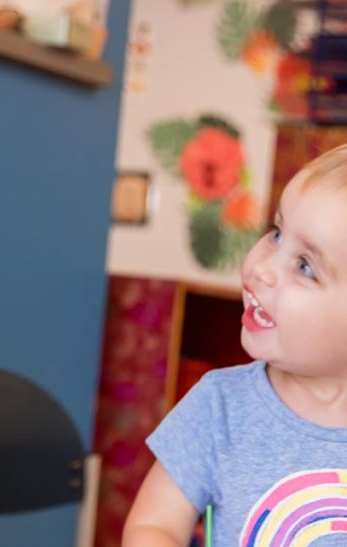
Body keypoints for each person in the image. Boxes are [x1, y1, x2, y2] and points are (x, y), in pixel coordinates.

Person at [123, 144, 347, 546]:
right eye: (276, 234)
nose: (262, 267)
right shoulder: (220, 404)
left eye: (305, 266)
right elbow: (152, 527)